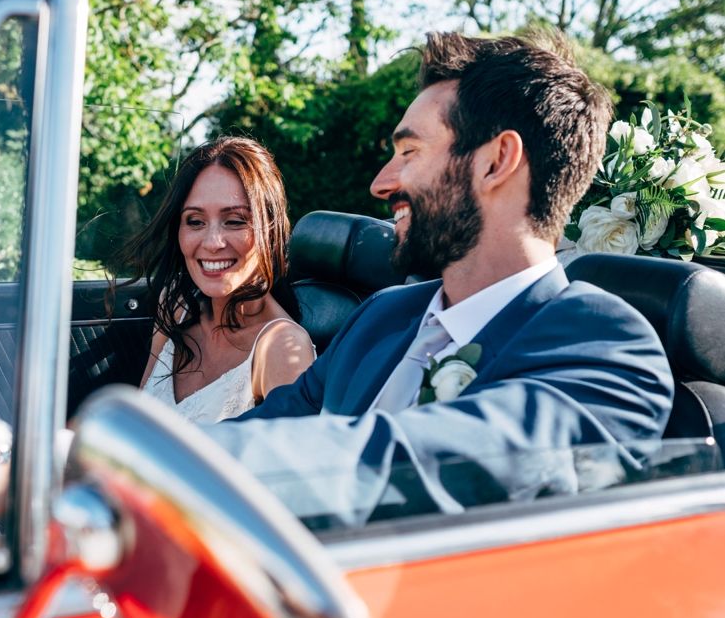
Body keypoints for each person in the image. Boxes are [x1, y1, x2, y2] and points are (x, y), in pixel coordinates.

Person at [204, 32, 673, 524]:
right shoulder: (382, 315)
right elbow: (272, 422)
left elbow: (418, 462)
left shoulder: (607, 348)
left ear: (496, 162)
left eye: (409, 153)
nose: (381, 183)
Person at [118, 137, 315, 424]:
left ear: (269, 229)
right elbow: (134, 424)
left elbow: (288, 466)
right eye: (195, 221)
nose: (212, 243)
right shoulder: (175, 305)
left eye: (235, 221)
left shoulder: (281, 348)